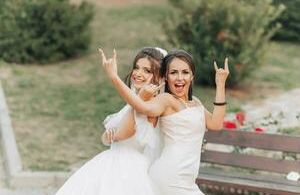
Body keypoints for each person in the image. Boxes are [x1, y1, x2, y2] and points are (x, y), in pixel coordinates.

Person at [100, 49, 229, 195]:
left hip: (187, 179)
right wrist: (113, 77)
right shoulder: (166, 100)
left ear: (192, 75)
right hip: (171, 178)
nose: (179, 78)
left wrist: (220, 84)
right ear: (166, 77)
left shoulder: (196, 103)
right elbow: (140, 106)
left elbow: (216, 124)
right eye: (173, 73)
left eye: (185, 72)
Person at [55, 47, 166, 195]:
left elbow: (123, 134)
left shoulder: (151, 105)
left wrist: (137, 97)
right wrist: (108, 136)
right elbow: (110, 137)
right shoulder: (135, 102)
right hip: (112, 160)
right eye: (136, 68)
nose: (138, 73)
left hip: (130, 170)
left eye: (147, 71)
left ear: (159, 77)